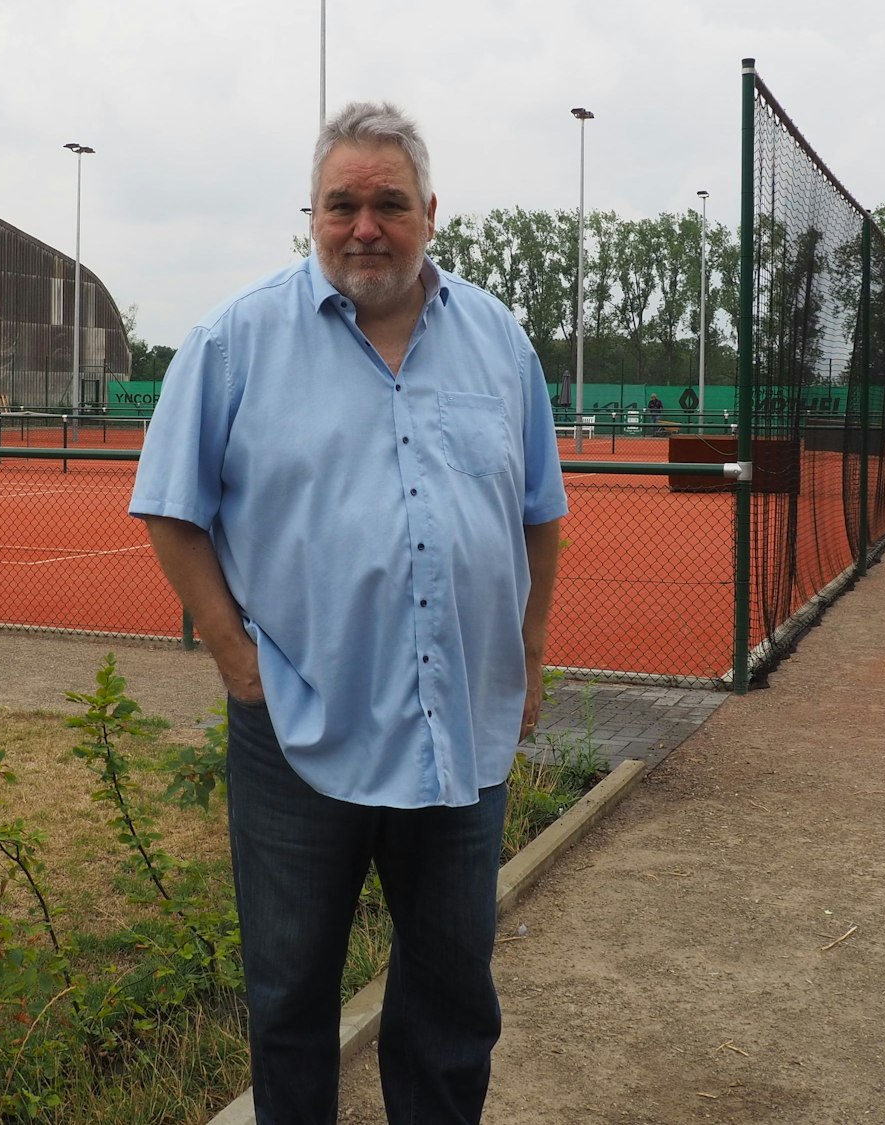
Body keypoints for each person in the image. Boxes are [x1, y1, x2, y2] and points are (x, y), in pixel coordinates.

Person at [129, 101, 565, 1123]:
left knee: (452, 998)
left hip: (458, 726)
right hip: (296, 725)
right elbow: (169, 509)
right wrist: (238, 662)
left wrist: (530, 653)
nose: (364, 227)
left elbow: (538, 510)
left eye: (389, 204)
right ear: (311, 214)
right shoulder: (234, 341)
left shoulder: (498, 341)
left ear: (430, 213)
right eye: (341, 205)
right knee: (289, 999)